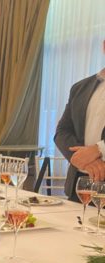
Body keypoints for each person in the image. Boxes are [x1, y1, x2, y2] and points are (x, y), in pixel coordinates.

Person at [54, 39, 105, 201]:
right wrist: (85, 161)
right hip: (79, 185)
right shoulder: (80, 88)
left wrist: (99, 149)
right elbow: (62, 132)